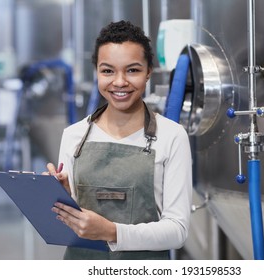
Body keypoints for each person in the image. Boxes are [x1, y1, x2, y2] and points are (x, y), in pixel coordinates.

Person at [46, 20, 193, 260]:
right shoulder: (74, 135)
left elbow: (177, 231)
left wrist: (111, 232)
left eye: (132, 70)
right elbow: (69, 226)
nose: (119, 81)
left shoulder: (172, 136)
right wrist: (61, 198)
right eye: (108, 71)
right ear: (97, 72)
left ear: (148, 73)